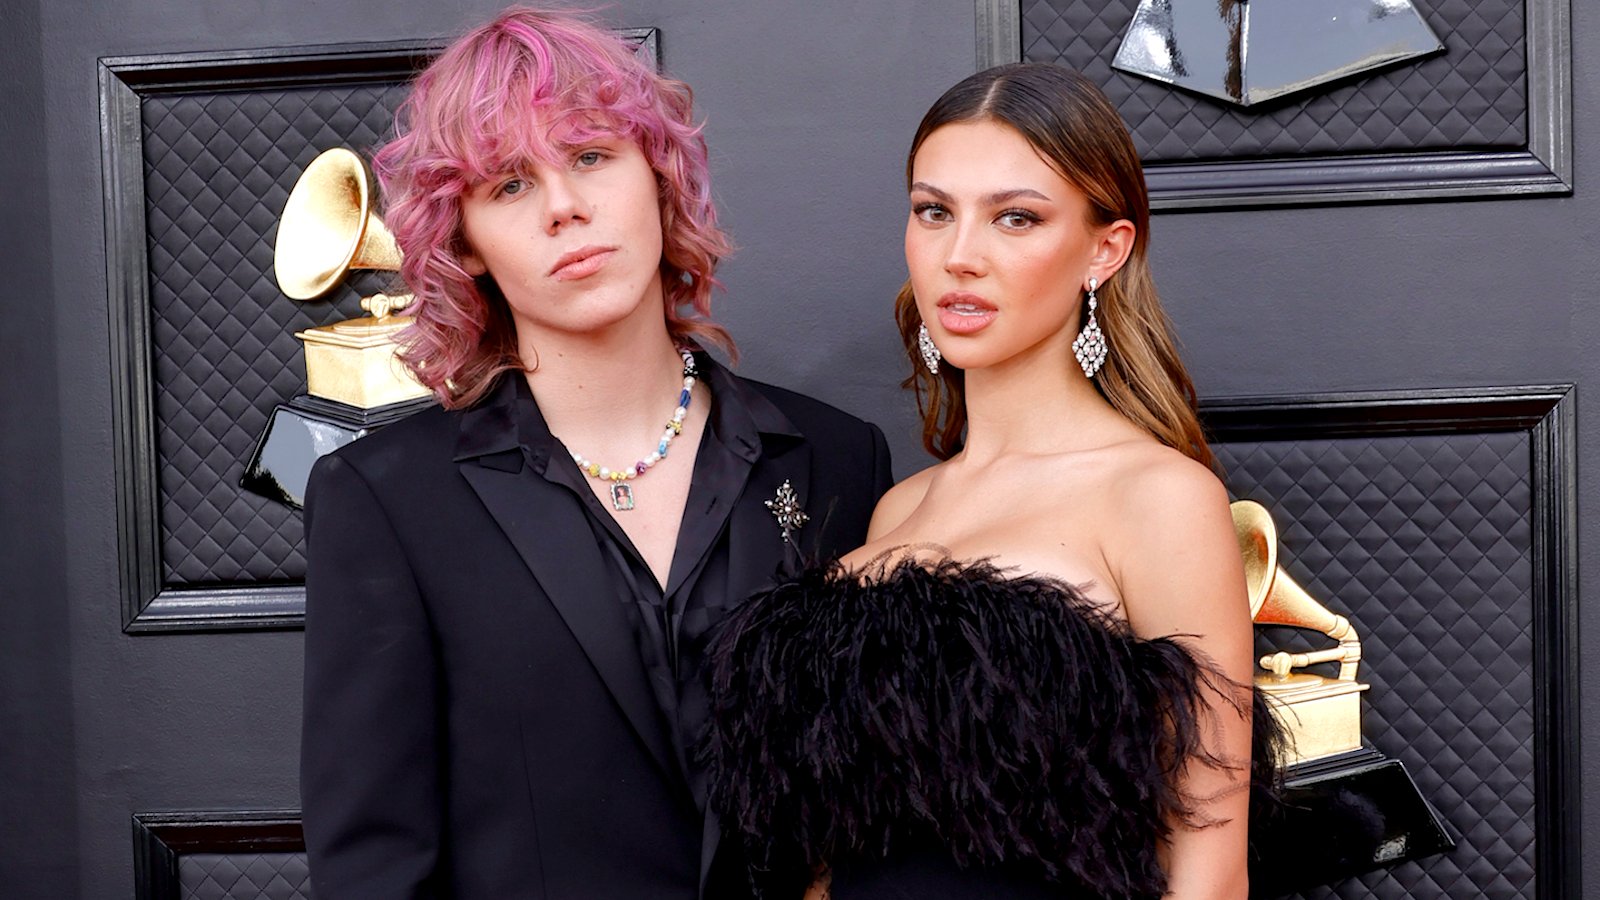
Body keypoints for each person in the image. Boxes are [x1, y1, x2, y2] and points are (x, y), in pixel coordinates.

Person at [299, 8, 893, 899]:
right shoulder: (383, 501)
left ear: (658, 178)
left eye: (589, 156)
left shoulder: (840, 458)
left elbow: (883, 811)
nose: (564, 207)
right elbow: (375, 868)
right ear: (466, 246)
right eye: (507, 185)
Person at [703, 64, 1281, 899]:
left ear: (1104, 249)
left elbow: (1211, 868)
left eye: (1015, 217)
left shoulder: (1158, 496)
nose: (960, 256)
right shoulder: (901, 506)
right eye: (934, 212)